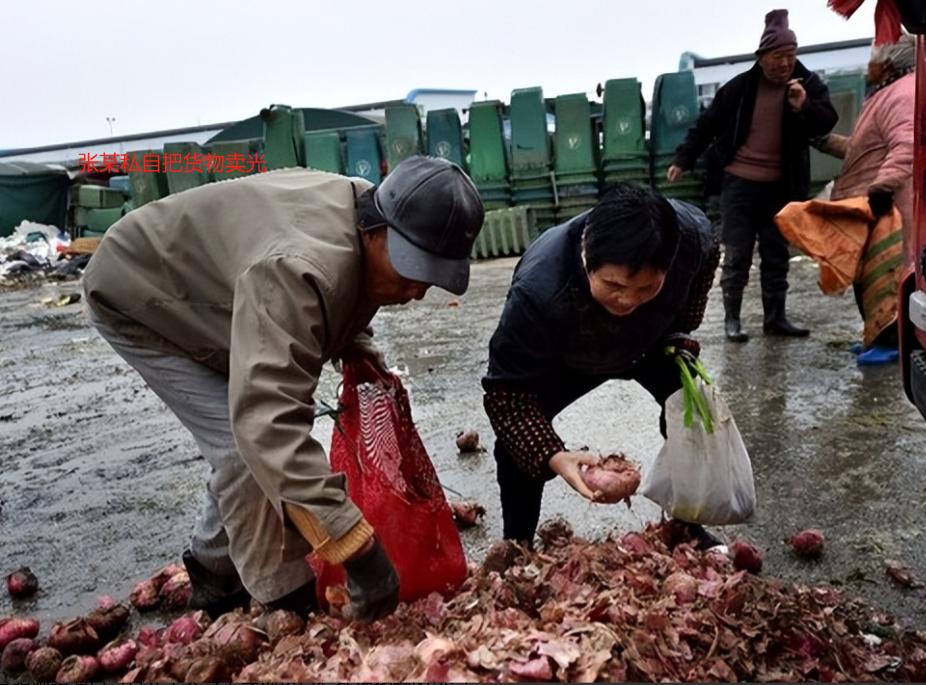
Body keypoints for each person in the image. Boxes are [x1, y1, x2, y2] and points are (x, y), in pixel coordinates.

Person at [82, 156, 484, 619]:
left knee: (255, 433)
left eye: (429, 277)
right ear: (377, 231)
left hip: (227, 286)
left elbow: (338, 299)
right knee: (244, 444)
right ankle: (271, 595)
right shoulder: (300, 268)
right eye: (411, 270)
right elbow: (266, 425)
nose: (417, 291)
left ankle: (212, 566)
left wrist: (356, 344)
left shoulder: (371, 220)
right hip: (142, 291)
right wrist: (358, 550)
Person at [482, 185, 721, 549]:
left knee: (692, 410)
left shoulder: (690, 236)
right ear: (586, 251)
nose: (627, 300)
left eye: (647, 288)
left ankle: (686, 526)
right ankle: (518, 545)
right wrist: (553, 456)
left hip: (650, 342)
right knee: (515, 448)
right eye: (613, 285)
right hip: (569, 356)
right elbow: (507, 396)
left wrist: (680, 327)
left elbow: (707, 257)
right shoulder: (538, 292)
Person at [667, 9, 838, 342]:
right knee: (738, 254)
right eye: (778, 57)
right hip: (740, 186)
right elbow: (707, 125)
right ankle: (733, 320)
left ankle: (776, 319)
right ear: (762, 57)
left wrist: (802, 106)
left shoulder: (807, 85)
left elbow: (826, 121)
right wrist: (683, 159)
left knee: (777, 256)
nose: (785, 64)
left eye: (790, 56)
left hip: (781, 187)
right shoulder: (740, 88)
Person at [814, 35, 916, 366]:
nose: (865, 66)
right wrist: (824, 141)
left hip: (887, 206)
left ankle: (891, 343)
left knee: (885, 276)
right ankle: (876, 336)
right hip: (871, 203)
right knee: (868, 279)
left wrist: (883, 187)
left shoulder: (902, 94)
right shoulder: (885, 95)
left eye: (871, 58)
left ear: (886, 63)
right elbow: (863, 149)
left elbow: (906, 145)